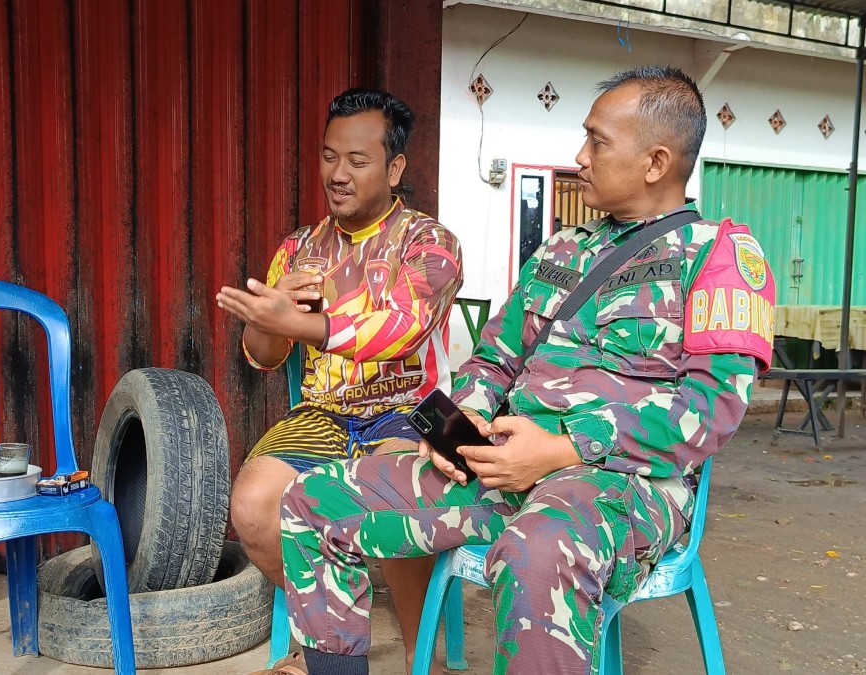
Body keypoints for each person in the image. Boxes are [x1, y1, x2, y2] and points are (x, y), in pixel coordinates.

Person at [274, 66, 776, 675]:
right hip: (501, 467)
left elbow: (708, 414)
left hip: (620, 483)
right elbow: (495, 357)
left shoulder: (719, 256)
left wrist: (564, 449)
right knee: (311, 502)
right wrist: (468, 418)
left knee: (537, 552)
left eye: (597, 141)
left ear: (655, 161)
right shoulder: (564, 250)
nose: (579, 156)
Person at [216, 88, 463, 673]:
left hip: (418, 407)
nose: (339, 174)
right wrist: (274, 317)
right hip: (325, 414)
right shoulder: (299, 247)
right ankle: (320, 637)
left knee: (395, 498)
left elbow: (402, 328)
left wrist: (310, 321)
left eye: (357, 161)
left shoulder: (431, 243)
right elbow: (262, 357)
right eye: (330, 157)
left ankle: (418, 656)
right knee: (252, 506)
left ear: (394, 167)